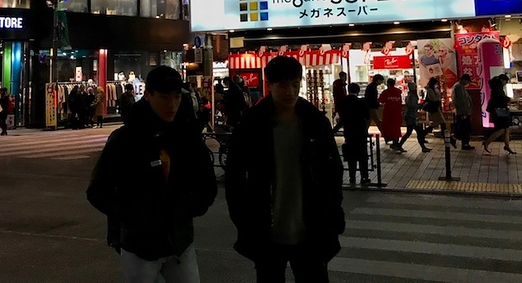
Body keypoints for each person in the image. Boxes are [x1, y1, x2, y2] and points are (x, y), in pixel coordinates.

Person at [87, 66, 217, 282]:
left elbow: (207, 183)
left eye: (176, 97)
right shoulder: (126, 139)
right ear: (148, 95)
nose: (172, 104)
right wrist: (132, 215)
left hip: (179, 243)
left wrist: (190, 208)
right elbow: (98, 190)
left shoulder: (186, 137)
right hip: (139, 245)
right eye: (165, 97)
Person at [225, 56, 345, 283]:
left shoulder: (314, 121)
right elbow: (235, 177)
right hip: (266, 231)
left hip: (312, 228)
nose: (290, 91)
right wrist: (242, 220)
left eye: (295, 85)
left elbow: (332, 172)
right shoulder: (252, 123)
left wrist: (333, 212)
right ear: (269, 85)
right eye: (283, 85)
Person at [339, 82, 372, 183]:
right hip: (360, 131)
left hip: (349, 131)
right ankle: (364, 177)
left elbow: (341, 117)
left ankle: (352, 177)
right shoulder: (361, 102)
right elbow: (367, 116)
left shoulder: (343, 101)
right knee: (363, 155)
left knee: (351, 156)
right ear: (358, 91)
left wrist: (335, 129)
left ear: (348, 90)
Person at [483, 76, 515, 154]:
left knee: (506, 129)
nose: (505, 83)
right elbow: (500, 97)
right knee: (502, 129)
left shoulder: (495, 86)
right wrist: (509, 99)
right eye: (505, 81)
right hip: (499, 110)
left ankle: (507, 146)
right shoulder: (497, 87)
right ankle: (487, 142)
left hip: (499, 109)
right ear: (502, 80)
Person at [424, 77, 456, 148]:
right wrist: (439, 95)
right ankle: (422, 134)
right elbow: (433, 99)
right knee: (439, 123)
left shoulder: (434, 89)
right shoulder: (430, 90)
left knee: (440, 123)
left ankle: (448, 139)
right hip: (433, 109)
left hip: (436, 109)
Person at [398, 82, 430, 153]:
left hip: (410, 116)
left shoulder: (410, 96)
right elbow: (412, 106)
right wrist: (421, 105)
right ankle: (423, 147)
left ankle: (400, 145)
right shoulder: (412, 96)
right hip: (411, 117)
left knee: (412, 132)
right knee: (417, 132)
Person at [378, 78, 404, 151]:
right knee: (396, 127)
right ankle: (396, 141)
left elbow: (381, 100)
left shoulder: (385, 92)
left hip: (388, 112)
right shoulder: (398, 91)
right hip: (397, 112)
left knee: (388, 126)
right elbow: (400, 101)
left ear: (387, 84)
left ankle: (390, 139)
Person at [451, 74, 475, 150]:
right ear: (464, 79)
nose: (467, 83)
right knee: (465, 128)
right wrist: (466, 112)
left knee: (464, 128)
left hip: (463, 111)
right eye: (467, 81)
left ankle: (460, 141)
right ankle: (462, 142)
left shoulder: (459, 86)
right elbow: (462, 101)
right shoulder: (458, 87)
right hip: (462, 111)